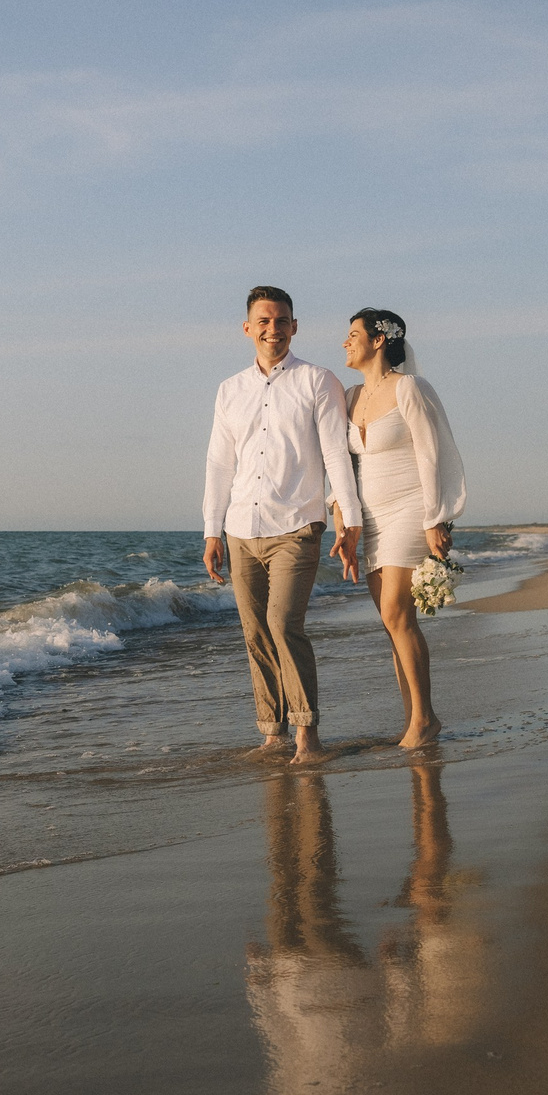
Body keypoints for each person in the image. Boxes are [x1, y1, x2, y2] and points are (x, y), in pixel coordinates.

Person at [202, 286, 363, 761]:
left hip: (296, 525)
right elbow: (218, 463)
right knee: (254, 631)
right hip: (240, 530)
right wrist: (212, 530)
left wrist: (347, 520)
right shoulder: (229, 390)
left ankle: (307, 733)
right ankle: (272, 731)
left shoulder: (318, 381)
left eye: (282, 321)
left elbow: (336, 453)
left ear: (295, 326)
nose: (273, 329)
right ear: (248, 328)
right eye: (264, 321)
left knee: (282, 622)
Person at [340, 307, 467, 748]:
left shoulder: (410, 387)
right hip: (371, 517)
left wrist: (437, 518)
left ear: (379, 340)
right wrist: (343, 515)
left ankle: (425, 719)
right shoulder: (350, 397)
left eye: (353, 334)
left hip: (409, 508)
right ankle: (415, 717)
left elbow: (435, 453)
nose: (345, 341)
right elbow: (342, 465)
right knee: (393, 622)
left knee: (396, 611)